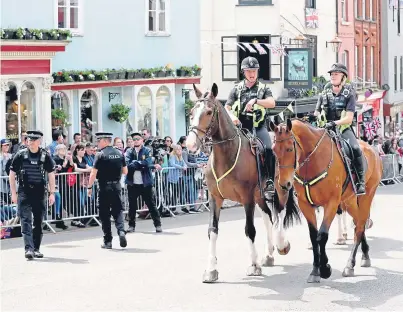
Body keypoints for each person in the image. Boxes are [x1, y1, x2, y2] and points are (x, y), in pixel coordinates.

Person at [225, 56, 276, 189]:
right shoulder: (236, 89)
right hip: (241, 127)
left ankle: (270, 180)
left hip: (258, 127)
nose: (252, 74)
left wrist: (256, 101)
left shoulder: (264, 88)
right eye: (249, 71)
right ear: (244, 72)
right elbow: (227, 107)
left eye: (254, 71)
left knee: (269, 149)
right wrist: (231, 117)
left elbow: (272, 103)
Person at [314, 63, 366, 195]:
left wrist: (335, 123)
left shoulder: (349, 94)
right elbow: (316, 112)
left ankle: (360, 181)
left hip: (343, 129)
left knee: (355, 148)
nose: (333, 76)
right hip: (325, 130)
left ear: (343, 77)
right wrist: (318, 117)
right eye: (332, 74)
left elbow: (349, 118)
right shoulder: (324, 93)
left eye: (336, 74)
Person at [8, 130, 56, 259]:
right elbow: (12, 174)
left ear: (39, 141)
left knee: (38, 221)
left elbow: (51, 174)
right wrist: (13, 193)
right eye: (29, 140)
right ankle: (28, 249)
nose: (31, 142)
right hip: (24, 191)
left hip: (40, 192)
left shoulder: (45, 156)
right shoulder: (20, 155)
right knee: (26, 220)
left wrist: (52, 193)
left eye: (34, 140)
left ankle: (36, 248)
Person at [86, 132, 128, 249]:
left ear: (105, 141)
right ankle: (121, 231)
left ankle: (108, 241)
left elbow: (93, 173)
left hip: (104, 187)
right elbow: (125, 171)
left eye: (98, 141)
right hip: (116, 186)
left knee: (104, 214)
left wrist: (89, 187)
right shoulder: (119, 153)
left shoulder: (100, 155)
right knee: (118, 210)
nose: (97, 143)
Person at [125, 132, 162, 233]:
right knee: (132, 206)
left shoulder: (147, 150)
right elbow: (128, 164)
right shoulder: (129, 151)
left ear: (142, 140)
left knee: (151, 204)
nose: (136, 141)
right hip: (132, 183)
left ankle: (158, 225)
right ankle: (131, 226)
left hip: (145, 183)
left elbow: (148, 163)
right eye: (134, 139)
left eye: (138, 139)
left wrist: (137, 164)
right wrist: (141, 165)